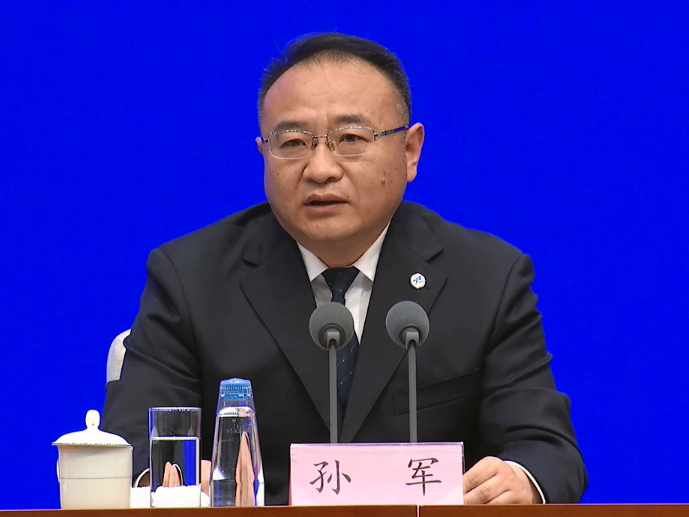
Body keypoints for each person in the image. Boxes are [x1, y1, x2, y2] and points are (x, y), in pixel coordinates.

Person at [102, 32, 587, 505]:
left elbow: (545, 450)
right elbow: (133, 447)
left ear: (410, 151)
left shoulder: (486, 277)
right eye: (293, 142)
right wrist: (172, 487)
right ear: (263, 154)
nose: (320, 169)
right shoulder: (191, 278)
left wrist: (521, 479)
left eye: (350, 138)